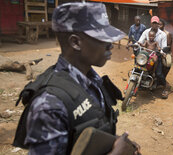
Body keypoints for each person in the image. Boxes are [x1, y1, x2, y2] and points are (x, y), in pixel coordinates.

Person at [13, 2, 140, 154]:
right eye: (102, 39)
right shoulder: (49, 105)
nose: (110, 46)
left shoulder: (92, 78)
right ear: (75, 42)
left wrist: (115, 142)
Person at [138, 16, 168, 99]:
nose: (155, 25)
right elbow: (140, 41)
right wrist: (137, 44)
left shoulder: (163, 34)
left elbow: (163, 47)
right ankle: (138, 83)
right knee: (138, 65)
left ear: (158, 24)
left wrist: (162, 52)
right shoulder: (146, 32)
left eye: (156, 23)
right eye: (153, 23)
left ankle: (165, 88)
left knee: (158, 73)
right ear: (151, 23)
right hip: (146, 54)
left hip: (156, 55)